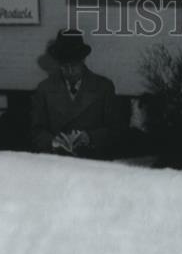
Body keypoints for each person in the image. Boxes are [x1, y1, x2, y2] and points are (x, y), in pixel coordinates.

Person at [30, 30, 126, 159]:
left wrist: (90, 137)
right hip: (56, 159)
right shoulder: (44, 88)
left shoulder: (104, 87)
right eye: (64, 66)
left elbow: (117, 129)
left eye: (74, 65)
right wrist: (53, 142)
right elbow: (35, 130)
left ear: (83, 60)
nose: (69, 71)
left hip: (93, 160)